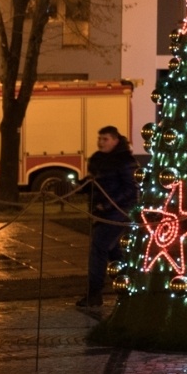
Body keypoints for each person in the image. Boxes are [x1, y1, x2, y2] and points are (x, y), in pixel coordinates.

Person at [78, 126, 137, 309]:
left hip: (118, 213)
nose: (100, 142)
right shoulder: (98, 159)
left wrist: (108, 204)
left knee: (98, 249)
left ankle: (94, 294)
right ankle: (130, 287)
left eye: (105, 139)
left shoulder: (125, 161)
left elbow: (131, 189)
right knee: (114, 253)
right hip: (100, 212)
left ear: (115, 140)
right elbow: (94, 182)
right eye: (100, 138)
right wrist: (78, 187)